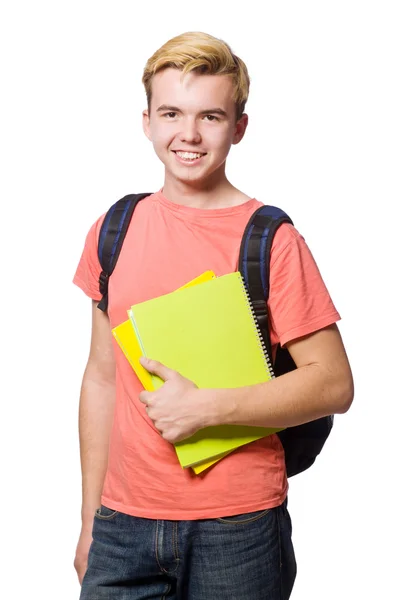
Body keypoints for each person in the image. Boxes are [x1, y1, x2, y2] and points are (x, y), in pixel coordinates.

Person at [73, 31, 354, 600]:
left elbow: (334, 384)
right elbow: (102, 378)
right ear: (147, 120)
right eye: (172, 113)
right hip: (121, 527)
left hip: (240, 527)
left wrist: (207, 408)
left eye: (211, 116)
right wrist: (89, 521)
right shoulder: (114, 229)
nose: (189, 135)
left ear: (239, 128)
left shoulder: (271, 239)